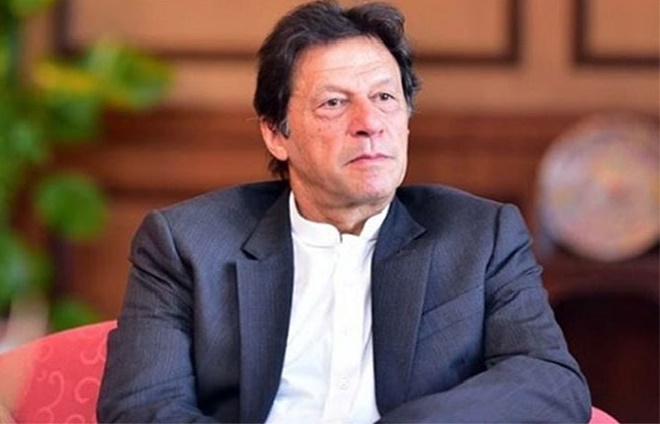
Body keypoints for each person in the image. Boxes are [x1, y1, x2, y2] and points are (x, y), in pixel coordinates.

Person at [97, 1, 591, 422]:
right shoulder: (187, 244)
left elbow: (549, 381)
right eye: (334, 103)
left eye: (384, 97)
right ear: (276, 133)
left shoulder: (481, 236)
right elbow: (140, 408)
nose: (369, 123)